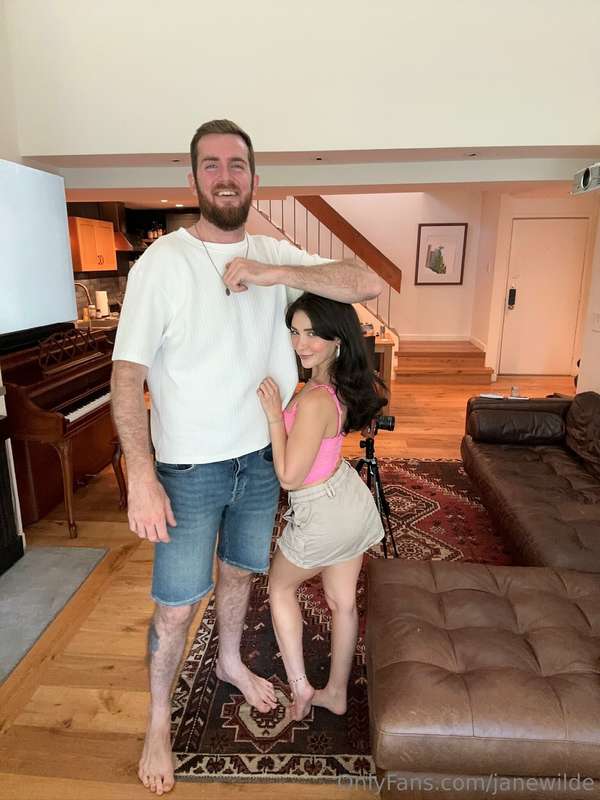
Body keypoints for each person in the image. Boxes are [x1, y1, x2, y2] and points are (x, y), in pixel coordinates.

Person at [110, 119, 382, 795]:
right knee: (177, 607)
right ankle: (158, 722)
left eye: (237, 165)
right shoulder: (161, 263)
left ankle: (229, 661)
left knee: (239, 578)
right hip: (188, 471)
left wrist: (274, 272)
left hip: (261, 463)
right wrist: (140, 476)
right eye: (212, 165)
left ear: (254, 179)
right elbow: (126, 375)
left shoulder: (271, 253)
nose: (225, 176)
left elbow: (366, 283)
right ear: (193, 178)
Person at [257, 292, 387, 721]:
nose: (300, 344)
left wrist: (274, 416)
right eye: (295, 332)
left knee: (279, 588)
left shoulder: (314, 399)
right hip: (348, 499)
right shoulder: (335, 386)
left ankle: (301, 689)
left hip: (322, 510)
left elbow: (289, 477)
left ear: (337, 339)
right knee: (342, 602)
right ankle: (336, 693)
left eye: (312, 333)